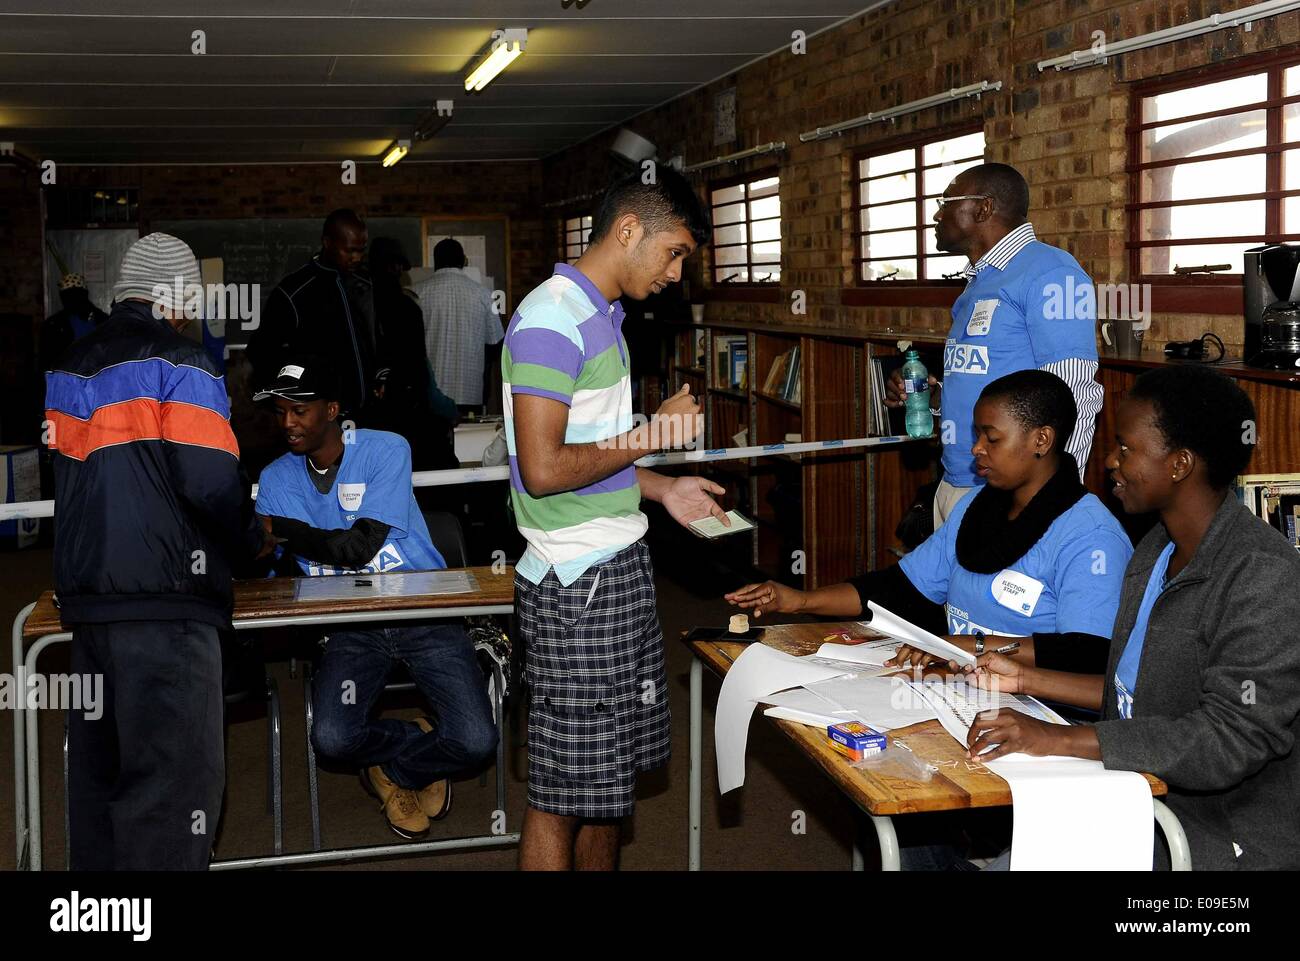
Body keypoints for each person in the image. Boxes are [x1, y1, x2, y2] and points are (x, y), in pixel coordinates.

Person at [963, 365, 1300, 870]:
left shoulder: (1262, 575)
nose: (1110, 462)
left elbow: (1229, 739)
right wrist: (1026, 679)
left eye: (1126, 449)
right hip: (1130, 799)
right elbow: (1132, 695)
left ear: (1180, 463)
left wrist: (1061, 739)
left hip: (1212, 838)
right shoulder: (1157, 549)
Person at [504, 167, 726, 870]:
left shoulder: (603, 315)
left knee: (608, 780)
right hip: (576, 586)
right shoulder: (550, 318)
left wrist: (658, 488)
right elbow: (542, 468)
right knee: (560, 791)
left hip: (618, 567)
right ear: (628, 231)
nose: (675, 272)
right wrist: (651, 435)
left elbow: (587, 455)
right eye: (675, 252)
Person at [44, 232, 273, 870]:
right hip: (166, 606)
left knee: (102, 792)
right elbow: (210, 481)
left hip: (88, 609)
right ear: (177, 299)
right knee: (173, 797)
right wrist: (254, 539)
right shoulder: (183, 363)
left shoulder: (68, 364)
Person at [728, 370, 1132, 672]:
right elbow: (900, 589)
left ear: (1041, 440)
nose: (976, 448)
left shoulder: (1090, 537)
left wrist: (960, 646)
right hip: (964, 683)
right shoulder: (977, 506)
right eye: (977, 435)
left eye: (992, 439)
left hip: (1039, 708)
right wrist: (800, 600)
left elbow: (1088, 652)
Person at [253, 354, 497, 840]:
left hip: (421, 609)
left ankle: (399, 772)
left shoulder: (386, 449)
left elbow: (358, 548)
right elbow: (264, 564)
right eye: (280, 411)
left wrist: (281, 529)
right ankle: (420, 743)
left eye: (300, 410)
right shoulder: (277, 478)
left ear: (333, 409)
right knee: (333, 741)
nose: (288, 423)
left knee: (475, 740)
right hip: (349, 624)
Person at [886, 163, 1104, 528]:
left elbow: (1074, 392)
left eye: (946, 202)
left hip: (1011, 496)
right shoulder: (979, 281)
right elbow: (983, 379)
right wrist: (930, 398)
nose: (937, 214)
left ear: (983, 208)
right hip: (957, 483)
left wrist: (1052, 502)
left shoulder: (1051, 272)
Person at [246, 208, 377, 420]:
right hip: (322, 418)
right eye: (350, 250)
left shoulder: (365, 283)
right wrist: (297, 396)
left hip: (367, 412)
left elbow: (373, 340)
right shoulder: (294, 291)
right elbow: (261, 351)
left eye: (361, 250)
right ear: (327, 242)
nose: (357, 258)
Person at [368, 236, 459, 470]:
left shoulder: (354, 305)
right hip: (407, 417)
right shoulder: (407, 309)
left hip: (366, 421)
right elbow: (420, 376)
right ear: (398, 269)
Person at [416, 238, 504, 414]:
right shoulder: (486, 295)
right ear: (463, 260)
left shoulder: (417, 293)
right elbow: (496, 343)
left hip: (431, 394)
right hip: (471, 391)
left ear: (435, 261)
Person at [38, 273, 109, 374]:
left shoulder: (103, 320)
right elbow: (46, 361)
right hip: (67, 378)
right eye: (69, 295)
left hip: (97, 378)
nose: (74, 300)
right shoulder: (53, 325)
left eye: (77, 294)